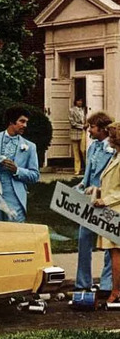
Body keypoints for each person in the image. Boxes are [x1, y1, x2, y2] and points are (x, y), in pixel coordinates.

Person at [0, 106, 40, 222]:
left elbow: (35, 175)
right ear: (11, 122)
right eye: (22, 121)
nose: (25, 125)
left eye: (26, 122)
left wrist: (17, 170)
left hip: (15, 196)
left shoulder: (30, 146)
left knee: (15, 233)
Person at [75, 111, 114, 292]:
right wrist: (82, 185)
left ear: (102, 129)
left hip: (107, 202)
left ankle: (107, 284)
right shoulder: (92, 147)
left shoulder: (114, 149)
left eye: (91, 126)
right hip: (89, 202)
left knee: (108, 245)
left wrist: (101, 193)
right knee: (84, 240)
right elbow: (89, 173)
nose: (88, 130)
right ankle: (83, 283)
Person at [92, 122, 120, 303]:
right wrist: (97, 190)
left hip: (116, 212)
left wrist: (105, 200)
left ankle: (116, 291)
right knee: (113, 254)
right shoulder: (115, 157)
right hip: (110, 213)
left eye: (111, 135)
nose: (108, 138)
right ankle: (116, 290)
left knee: (116, 253)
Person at [69, 98, 86, 175]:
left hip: (83, 132)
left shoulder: (84, 110)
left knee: (83, 150)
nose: (80, 102)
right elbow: (72, 122)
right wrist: (82, 126)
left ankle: (87, 167)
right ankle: (77, 169)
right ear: (75, 101)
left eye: (81, 101)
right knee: (76, 152)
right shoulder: (72, 110)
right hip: (75, 131)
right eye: (78, 101)